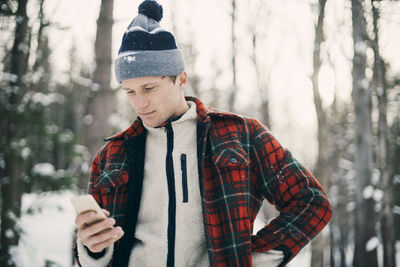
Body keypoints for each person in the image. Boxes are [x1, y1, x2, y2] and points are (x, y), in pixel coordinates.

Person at [73, 1, 332, 266]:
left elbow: (311, 202)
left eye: (148, 88)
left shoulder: (241, 135)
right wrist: (93, 249)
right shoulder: (111, 156)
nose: (139, 103)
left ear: (180, 79)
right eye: (130, 91)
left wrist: (253, 260)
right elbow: (97, 255)